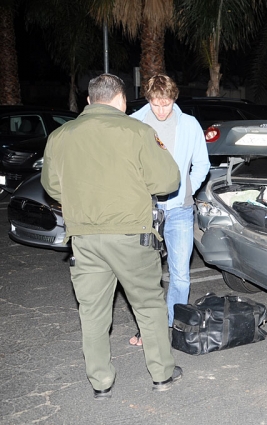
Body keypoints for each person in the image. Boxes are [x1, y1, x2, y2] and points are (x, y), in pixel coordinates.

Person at [41, 73, 183, 399]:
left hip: (84, 239)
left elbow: (52, 187)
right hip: (131, 235)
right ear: (121, 100)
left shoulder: (61, 135)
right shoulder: (137, 131)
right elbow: (166, 181)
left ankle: (100, 383)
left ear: (90, 101)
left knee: (91, 312)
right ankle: (161, 374)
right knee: (148, 305)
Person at [129, 74, 210, 344]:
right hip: (144, 210)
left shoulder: (189, 124)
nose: (161, 110)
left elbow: (202, 164)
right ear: (148, 99)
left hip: (179, 210)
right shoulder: (134, 123)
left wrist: (187, 188)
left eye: (166, 104)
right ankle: (149, 328)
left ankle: (174, 326)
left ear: (174, 99)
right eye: (156, 104)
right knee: (145, 274)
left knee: (180, 275)